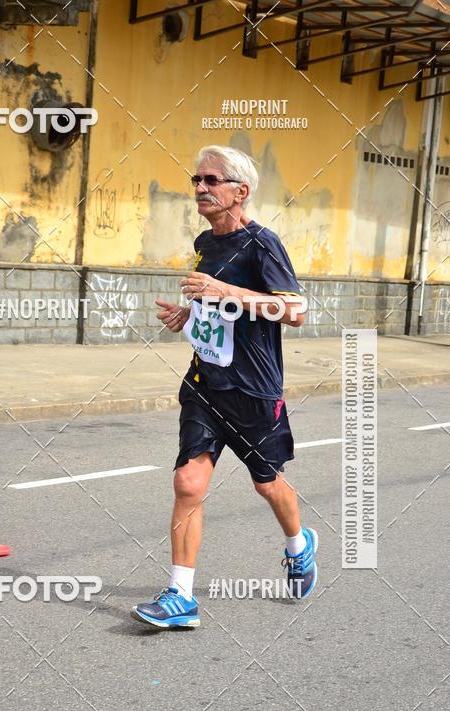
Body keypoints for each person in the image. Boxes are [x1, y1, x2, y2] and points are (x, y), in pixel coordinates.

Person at [130, 145, 318, 629]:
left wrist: (224, 292)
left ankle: (299, 545)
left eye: (212, 180)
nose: (201, 188)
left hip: (254, 392)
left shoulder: (263, 244)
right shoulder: (205, 242)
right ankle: (181, 597)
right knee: (187, 482)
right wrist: (188, 315)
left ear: (241, 191)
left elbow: (293, 311)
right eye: (197, 180)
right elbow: (213, 308)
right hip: (205, 383)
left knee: (267, 485)